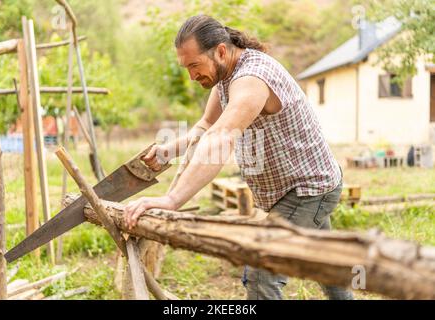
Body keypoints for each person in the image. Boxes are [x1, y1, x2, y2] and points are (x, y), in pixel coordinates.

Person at [123, 14, 354, 300]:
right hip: (294, 189)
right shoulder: (226, 75)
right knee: (326, 264)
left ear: (220, 51)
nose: (192, 76)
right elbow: (206, 126)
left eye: (195, 65)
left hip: (308, 190)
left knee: (260, 274)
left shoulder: (251, 79)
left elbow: (220, 138)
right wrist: (168, 151)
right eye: (186, 68)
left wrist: (171, 201)